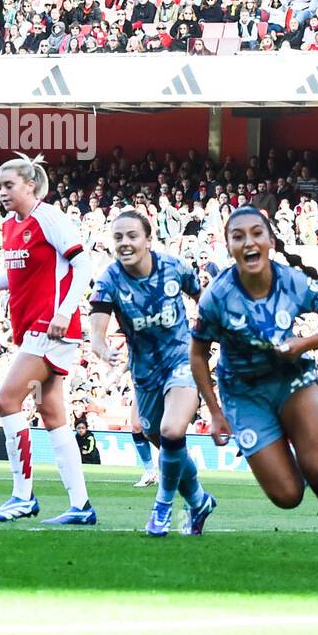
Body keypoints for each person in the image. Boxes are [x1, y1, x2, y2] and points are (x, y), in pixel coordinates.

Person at [191, 207, 318, 573]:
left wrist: (303, 344)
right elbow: (198, 354)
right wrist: (215, 411)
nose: (248, 242)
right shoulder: (216, 297)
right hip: (244, 394)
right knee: (287, 496)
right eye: (238, 236)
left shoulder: (293, 281)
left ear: (270, 241)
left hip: (293, 380)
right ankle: (283, 447)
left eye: (256, 233)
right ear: (228, 246)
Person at [0, 154, 97, 525]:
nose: (1, 192)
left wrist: (64, 312)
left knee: (6, 401)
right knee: (54, 416)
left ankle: (23, 496)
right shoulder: (10, 226)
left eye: (9, 185)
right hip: (34, 328)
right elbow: (16, 275)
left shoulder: (49, 217)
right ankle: (81, 506)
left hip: (49, 328)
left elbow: (83, 263)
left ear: (31, 186)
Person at [89, 210, 216, 537]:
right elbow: (97, 333)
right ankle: (199, 501)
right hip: (144, 372)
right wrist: (103, 348)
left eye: (132, 236)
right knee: (162, 438)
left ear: (148, 239)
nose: (125, 243)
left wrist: (214, 332)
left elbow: (205, 300)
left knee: (173, 431)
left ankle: (161, 507)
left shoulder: (174, 267)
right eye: (118, 237)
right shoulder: (109, 280)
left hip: (182, 361)